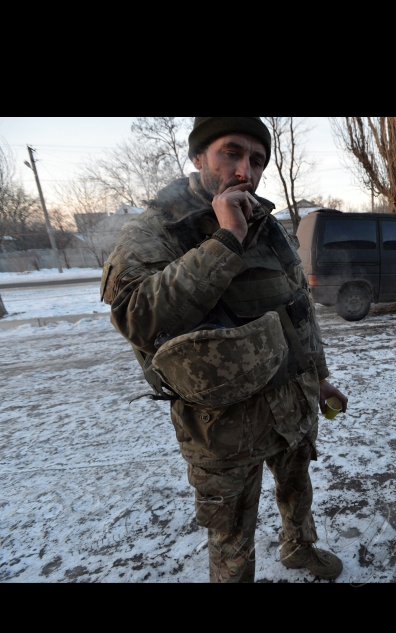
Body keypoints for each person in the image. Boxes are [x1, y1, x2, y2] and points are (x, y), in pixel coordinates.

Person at [102, 117, 348, 583]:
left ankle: (299, 547)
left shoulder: (268, 225)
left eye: (256, 160)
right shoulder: (157, 230)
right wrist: (226, 239)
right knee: (231, 531)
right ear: (198, 158)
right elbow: (136, 318)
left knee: (297, 486)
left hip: (289, 402)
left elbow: (298, 307)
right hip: (222, 426)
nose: (245, 171)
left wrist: (319, 374)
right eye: (230, 153)